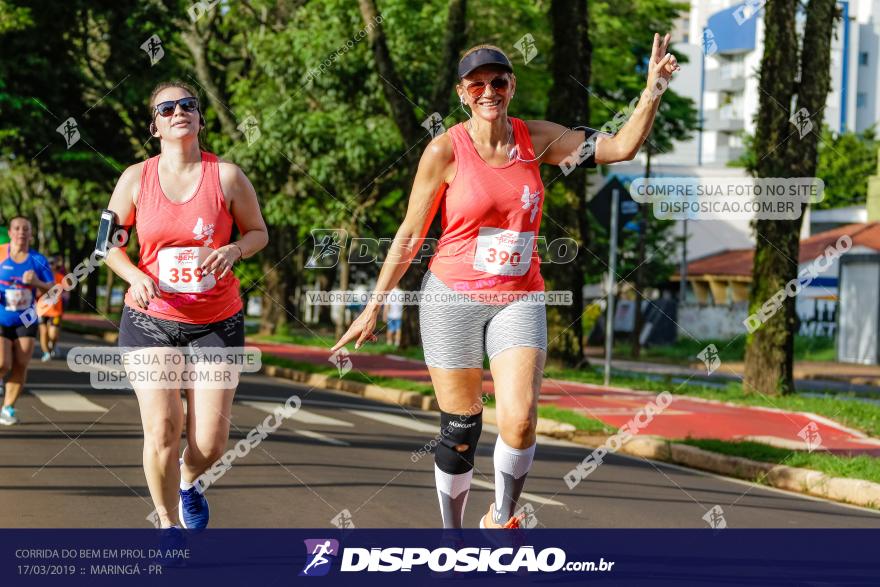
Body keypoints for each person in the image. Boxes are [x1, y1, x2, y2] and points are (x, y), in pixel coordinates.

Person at [333, 35, 678, 528]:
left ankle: (501, 519)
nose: (488, 91)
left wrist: (653, 91)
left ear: (511, 86)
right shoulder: (444, 151)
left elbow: (619, 148)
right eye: (477, 85)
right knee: (460, 428)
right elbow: (411, 231)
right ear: (462, 93)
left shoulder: (536, 139)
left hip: (518, 298)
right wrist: (375, 304)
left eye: (498, 81)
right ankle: (453, 539)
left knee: (519, 420)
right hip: (451, 298)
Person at [102, 80, 268, 529]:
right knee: (161, 428)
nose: (179, 112)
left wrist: (234, 250)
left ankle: (188, 481)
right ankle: (168, 522)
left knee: (211, 442)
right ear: (154, 125)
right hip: (151, 320)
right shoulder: (135, 178)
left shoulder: (227, 176)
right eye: (167, 108)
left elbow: (258, 232)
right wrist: (135, 276)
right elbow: (107, 245)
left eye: (188, 105)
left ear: (199, 117)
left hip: (217, 320)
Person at [0, 217, 55, 426]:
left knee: (21, 364)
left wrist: (36, 282)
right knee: (2, 363)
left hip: (27, 318)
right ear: (11, 232)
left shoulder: (38, 259)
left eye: (26, 229)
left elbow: (54, 290)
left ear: (31, 234)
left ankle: (7, 408)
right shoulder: (1, 253)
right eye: (17, 228)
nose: (21, 232)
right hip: (1, 317)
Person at [37, 255, 67, 362]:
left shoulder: (60, 277)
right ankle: (46, 352)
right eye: (48, 263)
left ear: (55, 265)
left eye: (52, 263)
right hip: (42, 310)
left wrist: (64, 297)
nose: (50, 265)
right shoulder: (41, 278)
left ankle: (52, 346)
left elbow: (67, 292)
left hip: (56, 311)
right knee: (44, 332)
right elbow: (35, 292)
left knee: (53, 334)